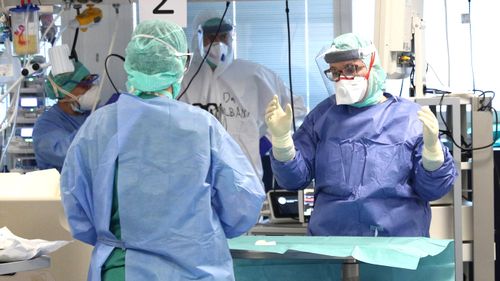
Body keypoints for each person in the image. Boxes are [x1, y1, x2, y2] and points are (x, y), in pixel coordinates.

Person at [60, 19, 265, 281]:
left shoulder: (99, 126)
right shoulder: (201, 126)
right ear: (180, 66)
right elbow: (243, 206)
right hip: (195, 270)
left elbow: (76, 208)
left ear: (131, 63)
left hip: (122, 270)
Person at [264, 33, 457, 237]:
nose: (343, 78)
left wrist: (433, 151)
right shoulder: (322, 117)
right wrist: (282, 141)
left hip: (396, 247)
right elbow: (294, 180)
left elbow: (433, 190)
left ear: (373, 67)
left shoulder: (410, 118)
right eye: (336, 72)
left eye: (351, 68)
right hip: (332, 243)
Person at [179, 10, 307, 182]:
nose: (218, 43)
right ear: (198, 38)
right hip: (194, 176)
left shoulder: (255, 75)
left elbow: (295, 109)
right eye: (211, 37)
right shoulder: (183, 80)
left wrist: (268, 142)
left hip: (244, 178)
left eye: (223, 36)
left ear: (231, 37)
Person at [33, 61, 101, 172]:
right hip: (61, 188)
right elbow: (68, 154)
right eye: (85, 84)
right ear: (64, 91)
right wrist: (96, 127)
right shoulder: (46, 126)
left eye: (91, 81)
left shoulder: (94, 113)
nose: (92, 88)